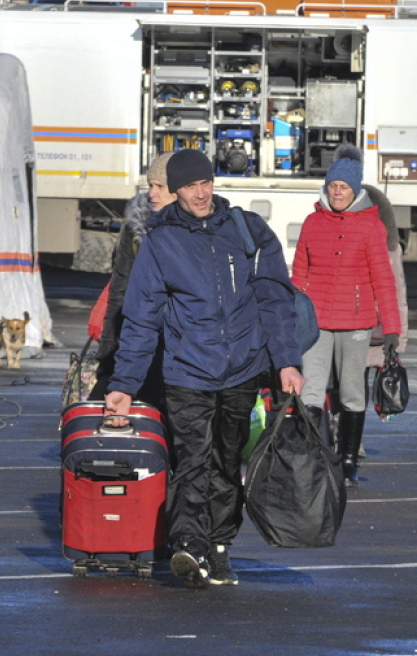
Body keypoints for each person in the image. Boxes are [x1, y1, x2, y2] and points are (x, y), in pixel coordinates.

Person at [104, 149, 305, 588]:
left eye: (206, 183)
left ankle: (218, 547)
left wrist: (287, 361)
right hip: (187, 372)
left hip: (242, 369)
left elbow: (276, 300)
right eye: (191, 186)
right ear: (174, 191)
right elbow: (141, 319)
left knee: (227, 462)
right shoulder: (161, 242)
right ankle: (188, 544)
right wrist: (124, 383)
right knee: (193, 461)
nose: (201, 192)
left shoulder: (248, 230)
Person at [291, 145, 401, 487]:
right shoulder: (312, 223)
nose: (337, 193)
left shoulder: (371, 227)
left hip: (356, 324)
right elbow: (298, 276)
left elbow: (384, 280)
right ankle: (311, 455)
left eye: (344, 188)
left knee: (352, 393)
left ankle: (349, 460)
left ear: (356, 191)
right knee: (310, 393)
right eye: (333, 186)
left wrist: (393, 330)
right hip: (318, 324)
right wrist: (290, 317)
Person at [88, 152, 175, 406]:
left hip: (179, 350)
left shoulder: (199, 231)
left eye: (160, 186)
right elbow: (119, 289)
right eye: (150, 185)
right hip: (136, 338)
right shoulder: (136, 227)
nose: (152, 193)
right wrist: (108, 351)